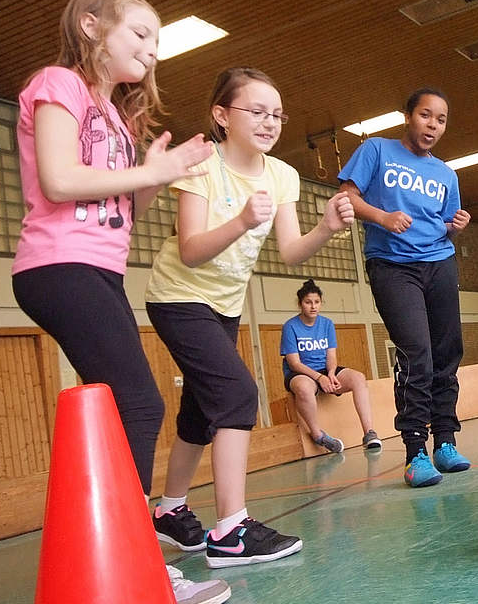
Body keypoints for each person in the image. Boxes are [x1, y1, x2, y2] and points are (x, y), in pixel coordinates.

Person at [9, 0, 227, 604]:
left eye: (157, 41)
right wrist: (150, 171)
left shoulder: (115, 117)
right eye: (140, 34)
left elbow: (124, 205)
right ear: (90, 27)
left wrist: (161, 175)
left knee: (123, 405)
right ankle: (138, 566)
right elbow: (58, 179)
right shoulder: (59, 84)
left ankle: (118, 562)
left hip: (98, 270)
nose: (152, 51)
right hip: (57, 265)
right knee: (140, 404)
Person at [146, 67, 354, 567]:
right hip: (178, 296)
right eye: (256, 111)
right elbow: (192, 250)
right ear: (222, 115)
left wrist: (324, 228)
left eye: (277, 114)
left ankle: (170, 510)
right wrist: (241, 220)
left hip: (224, 306)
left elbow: (289, 251)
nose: (269, 122)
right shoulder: (202, 165)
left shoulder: (282, 175)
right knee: (238, 394)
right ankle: (231, 530)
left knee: (201, 411)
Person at [339, 89, 472, 488]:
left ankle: (445, 441)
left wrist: (456, 224)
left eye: (441, 119)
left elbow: (441, 219)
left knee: (448, 351)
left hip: (439, 262)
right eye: (426, 116)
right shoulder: (376, 150)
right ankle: (415, 449)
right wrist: (382, 216)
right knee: (418, 352)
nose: (433, 125)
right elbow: (347, 197)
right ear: (408, 117)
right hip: (393, 266)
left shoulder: (446, 174)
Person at [281, 279, 382, 453]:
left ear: (321, 303)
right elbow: (294, 363)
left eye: (317, 302)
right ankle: (318, 435)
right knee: (304, 388)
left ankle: (369, 433)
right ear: (300, 304)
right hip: (301, 372)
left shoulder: (327, 324)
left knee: (358, 378)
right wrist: (320, 378)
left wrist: (332, 373)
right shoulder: (290, 326)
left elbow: (331, 356)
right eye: (308, 302)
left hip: (325, 370)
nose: (313, 306)